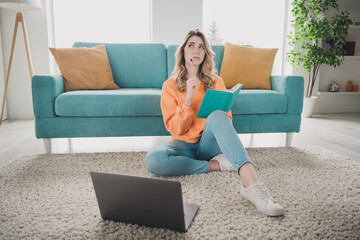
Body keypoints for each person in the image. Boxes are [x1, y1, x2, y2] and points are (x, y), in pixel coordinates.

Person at [145, 29, 284, 217]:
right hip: (183, 145)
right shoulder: (169, 86)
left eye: (201, 47)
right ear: (183, 52)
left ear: (205, 53)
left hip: (209, 144)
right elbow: (175, 128)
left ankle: (252, 185)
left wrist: (216, 116)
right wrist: (189, 98)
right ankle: (216, 165)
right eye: (191, 45)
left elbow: (226, 121)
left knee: (218, 115)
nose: (196, 50)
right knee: (154, 159)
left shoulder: (216, 81)